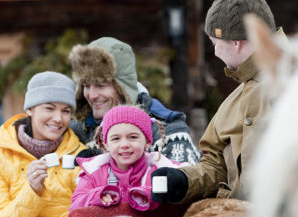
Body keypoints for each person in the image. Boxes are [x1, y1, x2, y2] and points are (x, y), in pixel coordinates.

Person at [151, 0, 285, 203]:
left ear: (235, 43)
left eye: (215, 43)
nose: (214, 51)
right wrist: (184, 181)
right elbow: (216, 163)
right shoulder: (236, 98)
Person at [0, 71, 87, 217]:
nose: (58, 119)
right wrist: (32, 191)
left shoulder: (80, 155)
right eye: (49, 108)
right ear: (29, 109)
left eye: (66, 111)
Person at [68, 36, 201, 165]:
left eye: (100, 85)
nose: (91, 95)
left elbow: (183, 184)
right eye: (85, 85)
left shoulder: (168, 133)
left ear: (123, 87)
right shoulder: (76, 130)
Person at [70, 105, 184, 211]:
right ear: (106, 144)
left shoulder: (161, 170)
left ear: (147, 142)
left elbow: (180, 196)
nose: (124, 144)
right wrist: (97, 196)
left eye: (133, 137)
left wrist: (150, 196)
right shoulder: (94, 172)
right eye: (116, 139)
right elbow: (75, 205)